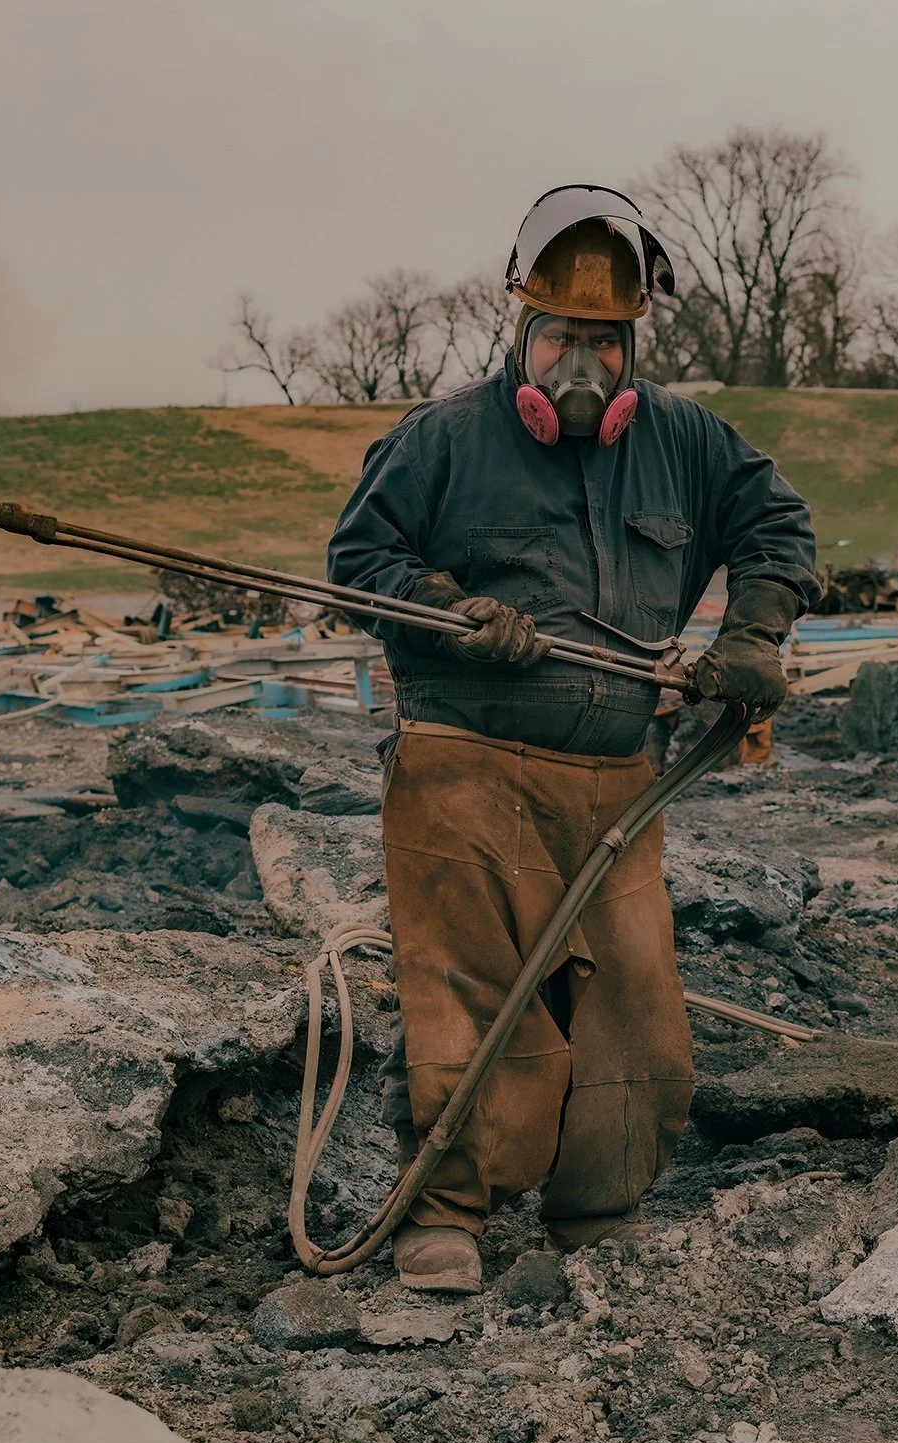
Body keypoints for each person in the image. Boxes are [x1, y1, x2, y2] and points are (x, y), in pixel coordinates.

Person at [327, 184, 819, 1292]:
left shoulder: (688, 441)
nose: (581, 361)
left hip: (615, 778)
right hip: (463, 769)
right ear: (521, 333)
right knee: (468, 996)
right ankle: (444, 1219)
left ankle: (597, 1212)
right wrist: (450, 610)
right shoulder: (442, 438)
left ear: (632, 341)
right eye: (561, 335)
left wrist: (753, 629)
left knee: (632, 1014)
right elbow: (361, 562)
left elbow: (779, 524)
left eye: (605, 338)